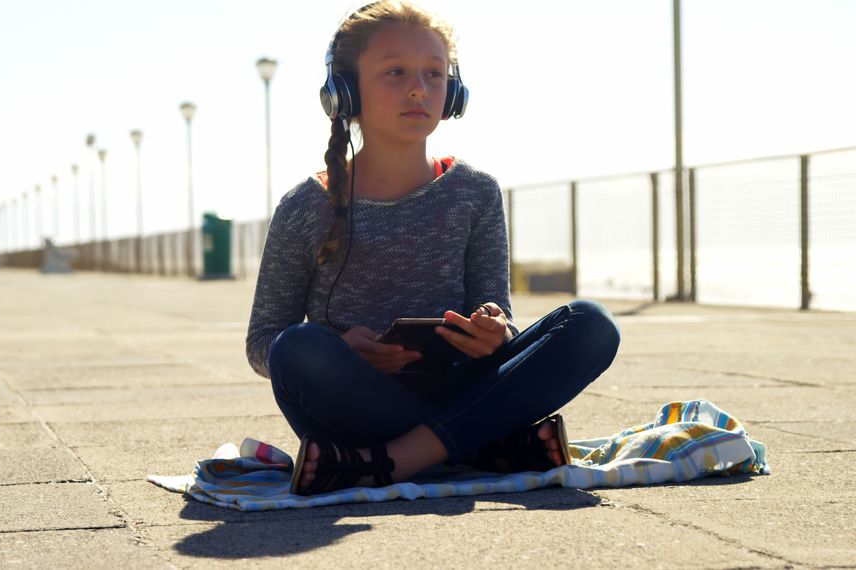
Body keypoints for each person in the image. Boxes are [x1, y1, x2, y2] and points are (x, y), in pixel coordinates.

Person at [245, 0, 620, 496]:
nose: (419, 88)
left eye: (435, 74)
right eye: (395, 72)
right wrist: (342, 349)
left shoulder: (475, 192)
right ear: (344, 92)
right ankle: (485, 446)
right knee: (296, 348)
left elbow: (498, 316)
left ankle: (395, 462)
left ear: (454, 92)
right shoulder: (304, 207)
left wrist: (494, 331)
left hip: (461, 387)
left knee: (590, 326)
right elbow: (263, 341)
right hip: (358, 404)